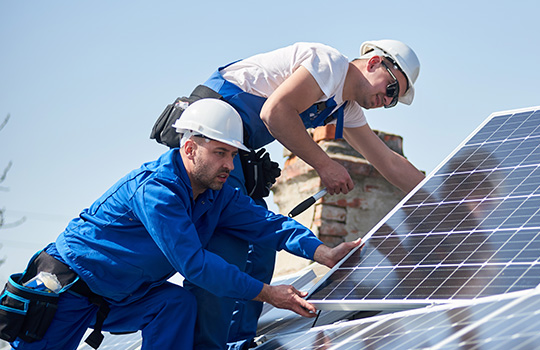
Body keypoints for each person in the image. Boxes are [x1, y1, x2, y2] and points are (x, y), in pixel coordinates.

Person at [4, 99, 360, 350]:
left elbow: (267, 224)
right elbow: (196, 265)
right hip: (68, 290)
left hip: (124, 297)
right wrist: (268, 293)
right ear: (189, 148)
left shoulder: (217, 193)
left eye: (233, 155)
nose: (228, 165)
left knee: (175, 305)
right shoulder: (156, 191)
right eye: (219, 153)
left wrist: (322, 251)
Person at [154, 40, 427, 349]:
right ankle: (207, 345)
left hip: (236, 152)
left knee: (260, 249)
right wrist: (325, 164)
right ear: (376, 62)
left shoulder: (344, 106)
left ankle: (238, 342)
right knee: (229, 248)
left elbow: (388, 161)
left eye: (393, 101)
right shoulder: (329, 65)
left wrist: (439, 197)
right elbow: (275, 112)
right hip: (210, 143)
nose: (386, 101)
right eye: (392, 89)